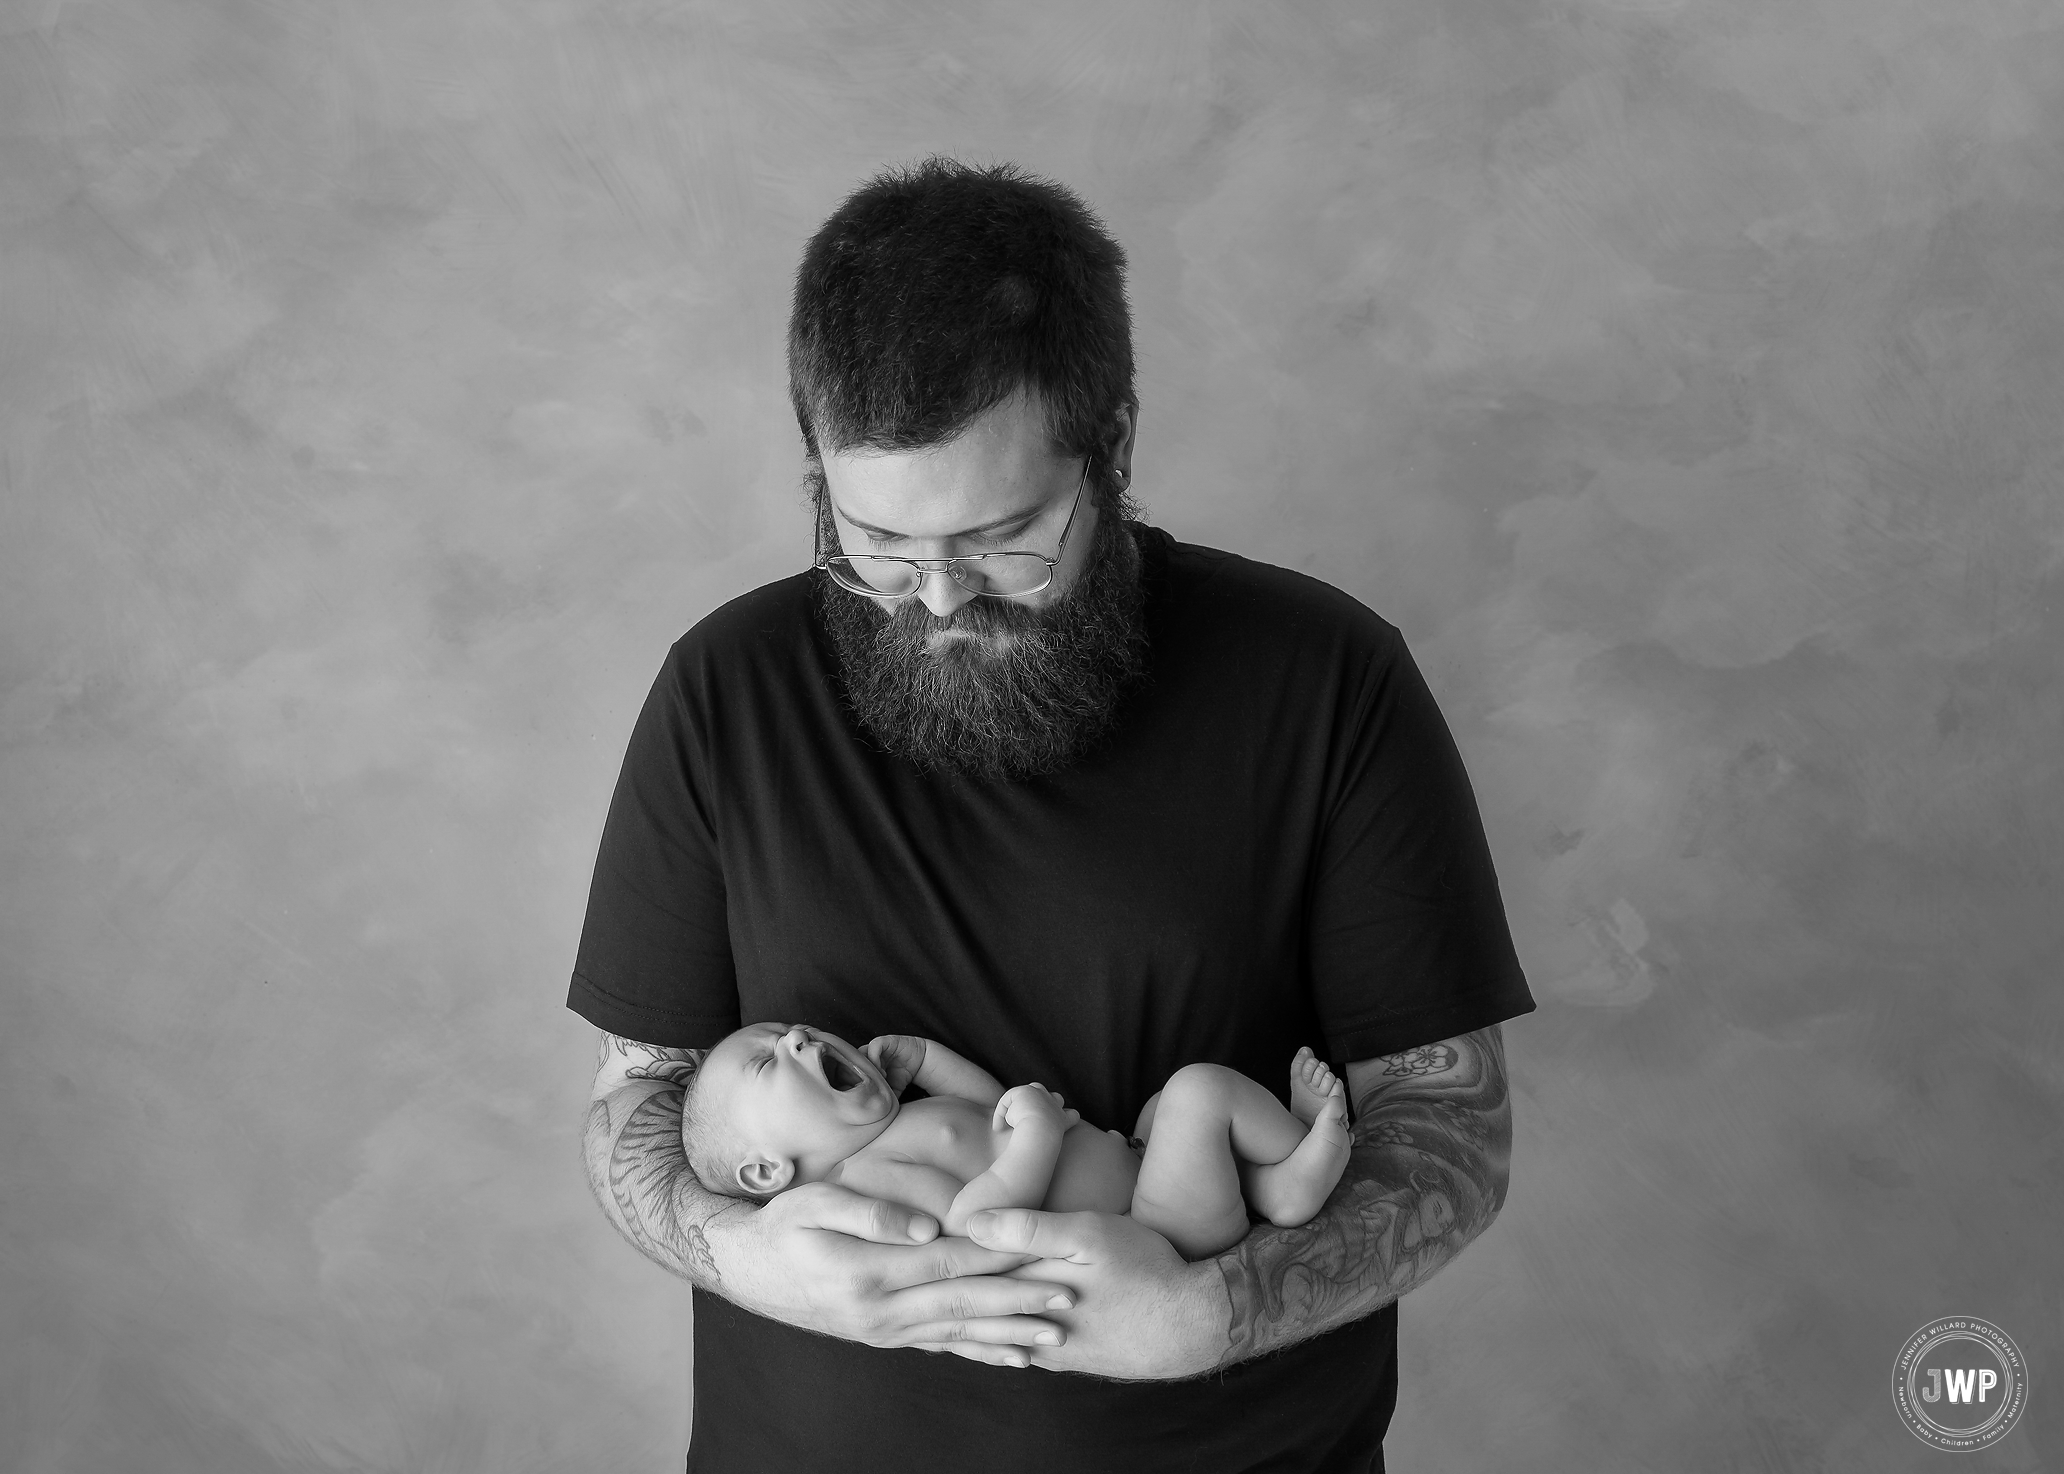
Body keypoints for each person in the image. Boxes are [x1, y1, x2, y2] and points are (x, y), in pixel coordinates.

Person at [570, 156, 1536, 1473]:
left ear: (1114, 446)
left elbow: (1453, 1126)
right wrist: (739, 1253)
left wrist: (1221, 1308)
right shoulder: (723, 687)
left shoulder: (1324, 676)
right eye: (878, 547)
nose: (940, 597)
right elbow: (642, 1095)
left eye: (1006, 537)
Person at [683, 1022, 1353, 1266]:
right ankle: (1296, 1174)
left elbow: (985, 1111)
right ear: (769, 1167)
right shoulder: (867, 1183)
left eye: (785, 1029)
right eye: (769, 1061)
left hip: (1142, 1169)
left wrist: (927, 1061)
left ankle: (1266, 1186)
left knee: (1162, 1112)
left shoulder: (898, 1130)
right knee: (1196, 1094)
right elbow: (982, 1223)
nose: (797, 1036)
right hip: (1153, 1229)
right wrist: (1035, 1130)